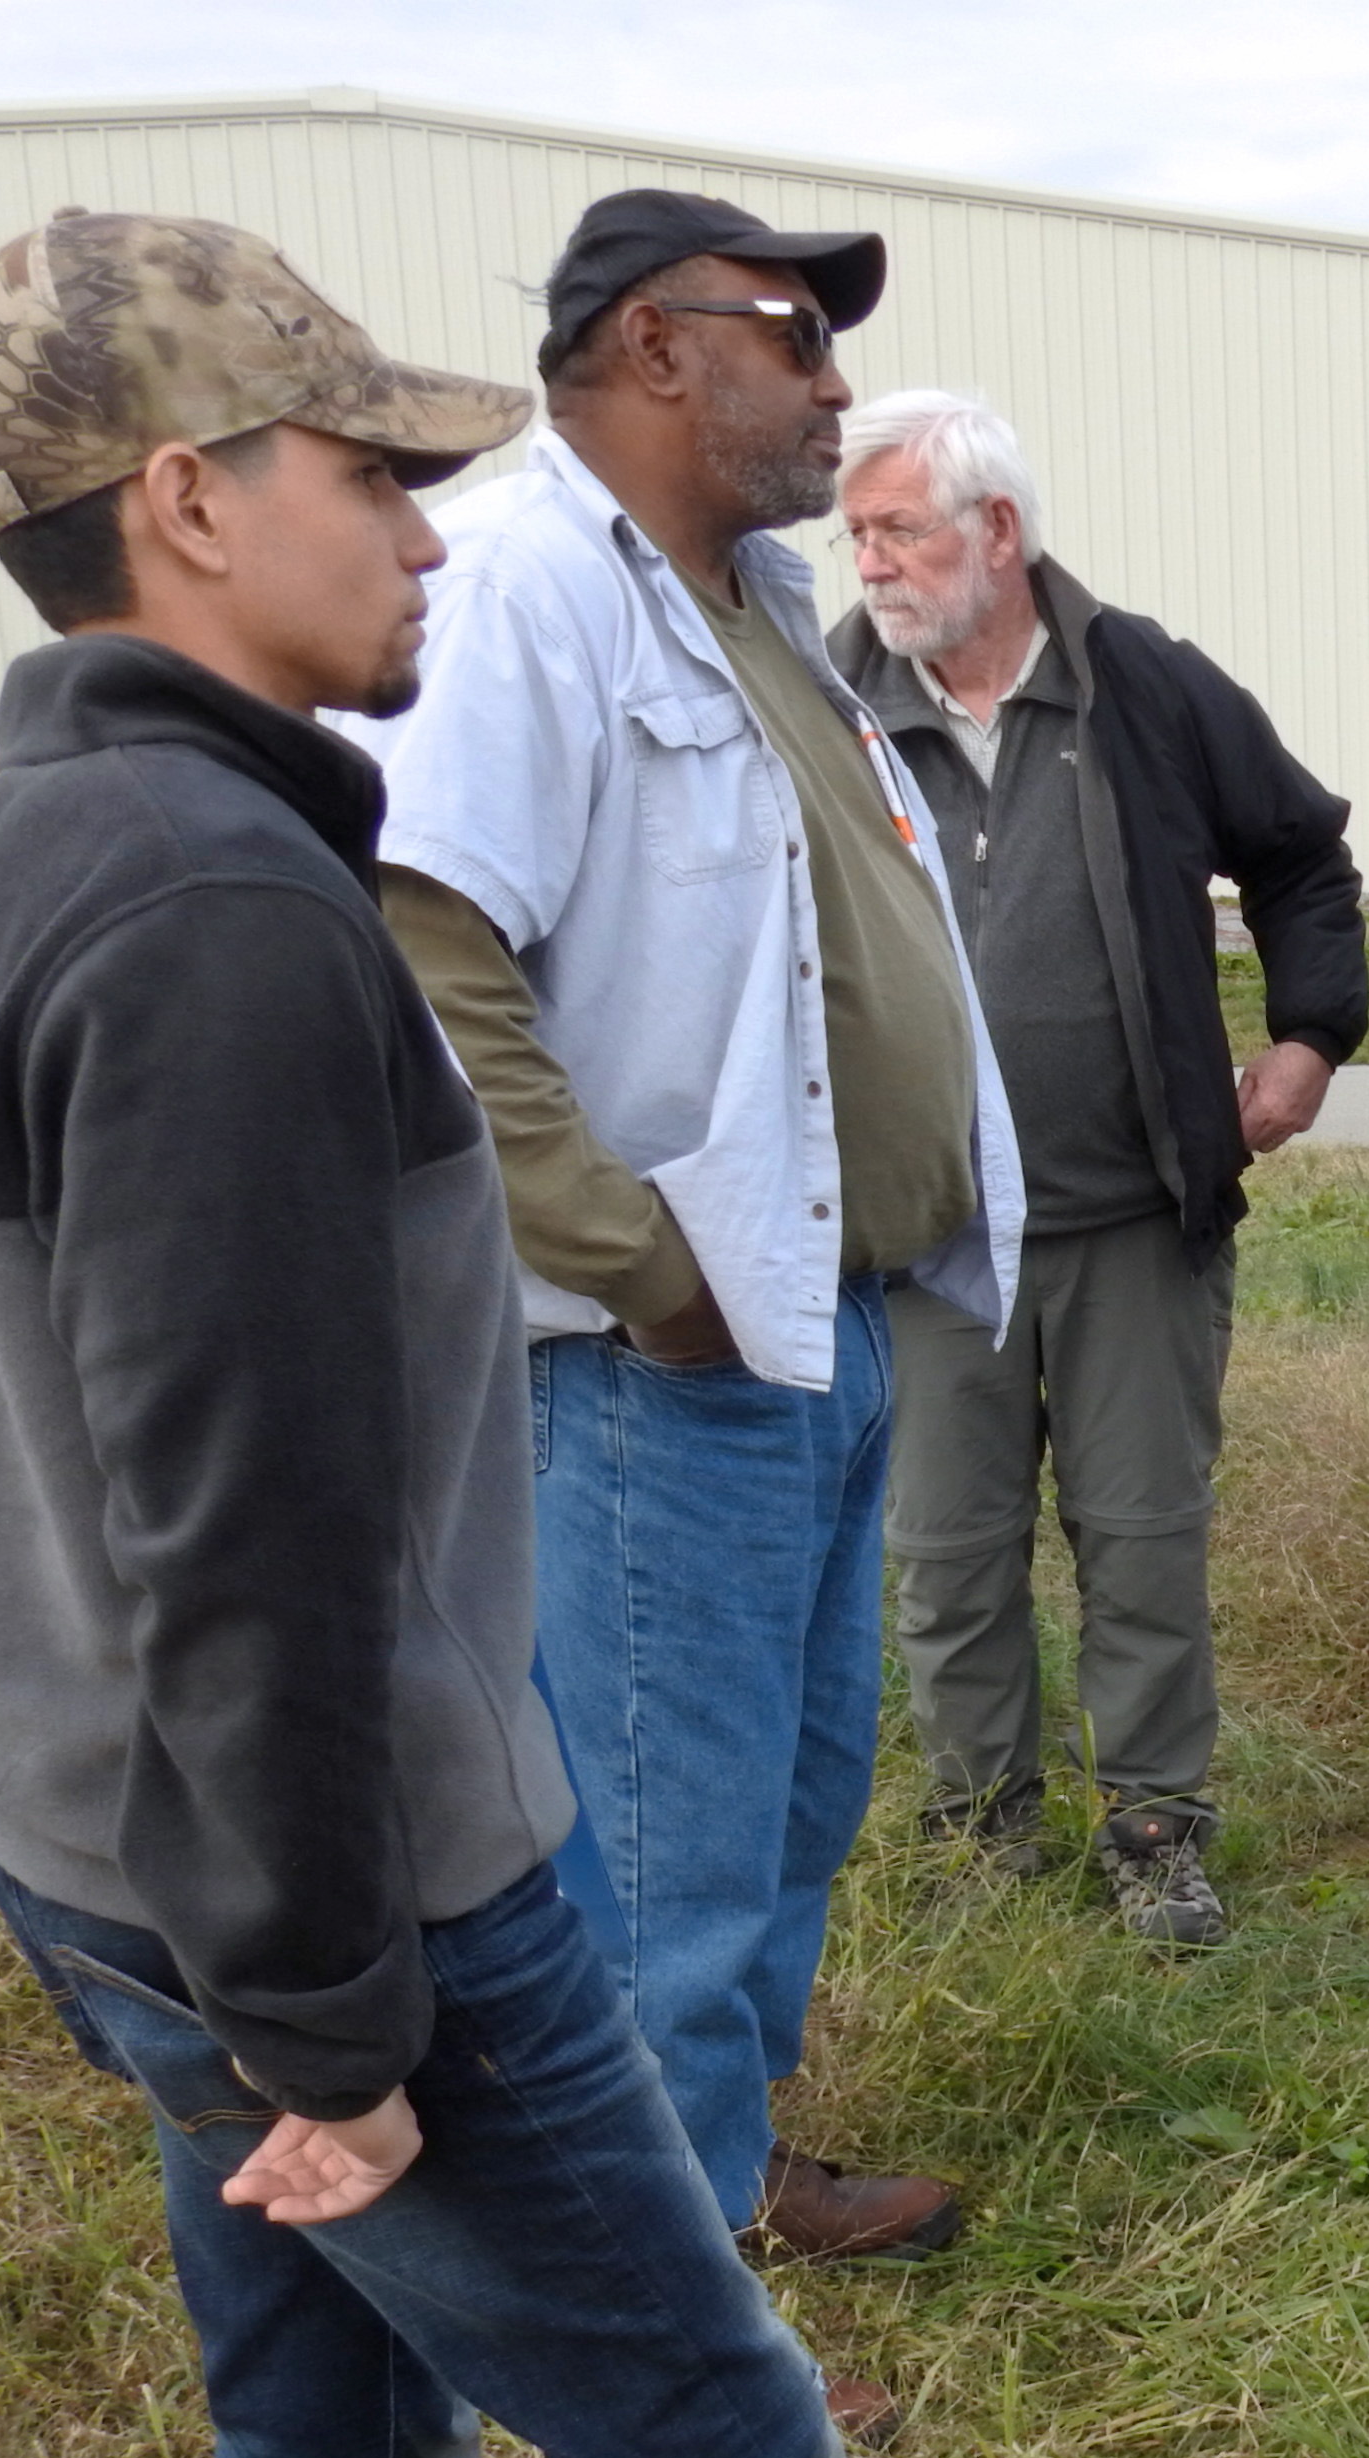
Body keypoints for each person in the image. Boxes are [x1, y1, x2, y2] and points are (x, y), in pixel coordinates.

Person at [0, 208, 989, 2458]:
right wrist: (338, 2025)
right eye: (363, 468)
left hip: (124, 1849)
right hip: (329, 1878)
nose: (420, 519)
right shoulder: (222, 906)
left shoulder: (35, 855)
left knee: (327, 2450)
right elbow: (238, 1526)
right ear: (186, 503)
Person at [365, 192, 1023, 2270]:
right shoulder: (522, 585)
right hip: (672, 1357)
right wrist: (637, 1265)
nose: (834, 388)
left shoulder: (741, 602)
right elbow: (429, 949)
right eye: (793, 338)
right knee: (662, 1843)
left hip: (819, 1327)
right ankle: (655, 2289)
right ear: (654, 348)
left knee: (792, 1797)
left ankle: (721, 2170)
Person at [826, 387, 1368, 1950]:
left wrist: (1309, 1040)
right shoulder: (824, 699)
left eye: (900, 527)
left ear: (998, 531)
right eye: (856, 532)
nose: (871, 562)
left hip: (1136, 1213)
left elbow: (1303, 855)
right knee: (943, 1556)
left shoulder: (1144, 683)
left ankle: (1154, 1828)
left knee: (1140, 1542)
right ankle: (984, 1836)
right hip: (925, 1233)